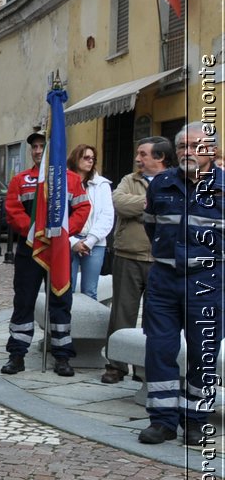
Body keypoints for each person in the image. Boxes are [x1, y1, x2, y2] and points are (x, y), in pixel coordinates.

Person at [140, 123, 220, 447]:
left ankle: (196, 422)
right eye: (184, 146)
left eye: (197, 146)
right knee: (158, 350)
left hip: (207, 282)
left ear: (210, 151)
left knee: (203, 354)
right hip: (163, 280)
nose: (189, 152)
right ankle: (162, 422)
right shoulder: (160, 184)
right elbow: (151, 227)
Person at [0, 131, 90, 376]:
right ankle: (17, 354)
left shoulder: (71, 180)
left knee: (61, 302)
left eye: (43, 146)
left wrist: (62, 233)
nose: (38, 151)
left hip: (59, 251)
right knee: (24, 301)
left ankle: (62, 356)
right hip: (29, 249)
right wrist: (34, 231)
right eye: (35, 147)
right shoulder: (21, 180)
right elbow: (13, 210)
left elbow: (82, 208)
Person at [101, 136, 173, 384]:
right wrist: (153, 204)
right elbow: (119, 203)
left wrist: (143, 208)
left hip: (161, 261)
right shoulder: (128, 180)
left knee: (157, 318)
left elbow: (175, 210)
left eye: (143, 154)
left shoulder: (175, 181)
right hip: (127, 256)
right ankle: (115, 365)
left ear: (160, 157)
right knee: (122, 313)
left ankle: (144, 367)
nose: (137, 159)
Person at [68, 143, 114, 297]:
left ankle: (89, 321)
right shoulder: (64, 182)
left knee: (90, 291)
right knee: (67, 289)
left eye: (93, 159)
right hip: (68, 241)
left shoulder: (102, 184)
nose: (90, 161)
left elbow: (107, 215)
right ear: (76, 158)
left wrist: (90, 241)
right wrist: (73, 241)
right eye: (86, 157)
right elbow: (60, 215)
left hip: (95, 243)